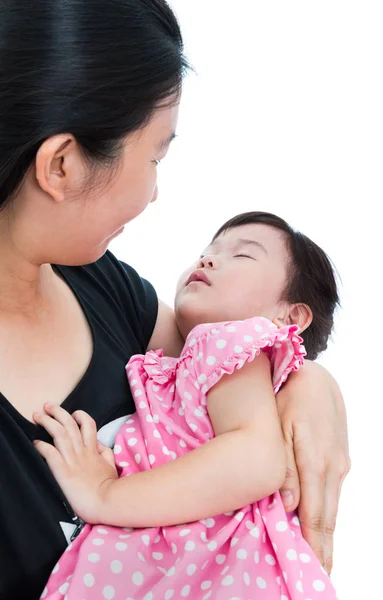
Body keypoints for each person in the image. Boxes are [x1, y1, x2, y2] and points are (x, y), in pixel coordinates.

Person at [0, 0, 350, 598]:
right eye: (155, 155)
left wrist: (310, 385)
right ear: (60, 166)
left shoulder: (104, 288)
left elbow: (223, 357)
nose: (156, 191)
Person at [35, 211, 339, 600]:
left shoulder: (229, 344)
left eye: (242, 256)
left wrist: (104, 494)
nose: (208, 259)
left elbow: (256, 460)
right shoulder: (184, 365)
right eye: (208, 251)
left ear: (290, 316)